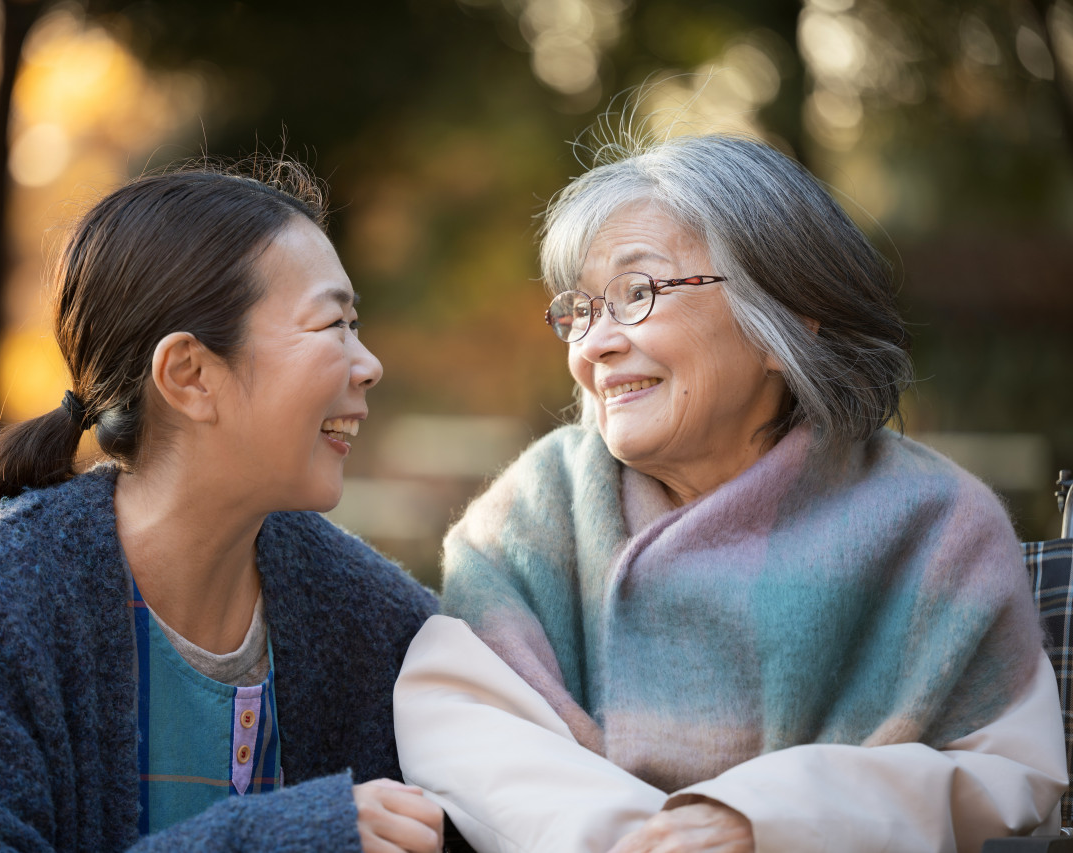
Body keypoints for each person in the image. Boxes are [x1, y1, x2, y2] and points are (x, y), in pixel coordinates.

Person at [393, 133, 1066, 853]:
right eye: (581, 310)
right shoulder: (531, 510)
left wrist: (764, 823)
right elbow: (461, 722)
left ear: (784, 320)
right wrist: (647, 841)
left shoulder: (938, 524)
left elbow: (1009, 781)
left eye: (637, 292)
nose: (592, 345)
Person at [0, 162, 445, 853]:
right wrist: (284, 837)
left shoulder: (372, 617)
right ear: (190, 374)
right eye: (332, 324)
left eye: (355, 324)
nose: (369, 363)